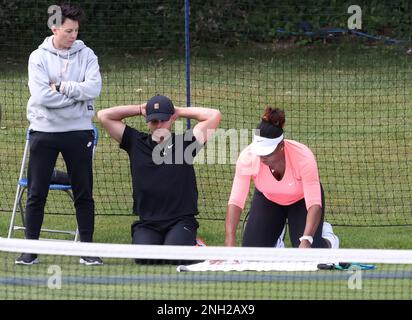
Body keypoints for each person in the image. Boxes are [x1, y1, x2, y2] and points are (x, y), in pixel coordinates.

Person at [16, 3, 102, 265]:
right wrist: (77, 97)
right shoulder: (38, 57)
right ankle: (30, 251)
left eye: (76, 30)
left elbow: (94, 88)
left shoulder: (87, 54)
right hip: (44, 132)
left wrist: (62, 87)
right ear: (55, 28)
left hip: (78, 133)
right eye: (68, 30)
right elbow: (41, 95)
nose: (73, 35)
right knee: (36, 192)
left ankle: (87, 250)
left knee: (83, 192)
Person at [97, 94, 221, 250]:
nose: (159, 125)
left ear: (172, 119)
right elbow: (104, 116)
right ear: (148, 121)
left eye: (164, 120)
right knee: (144, 258)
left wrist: (179, 111)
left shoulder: (186, 143)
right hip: (149, 222)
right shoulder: (135, 142)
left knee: (174, 254)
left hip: (180, 220)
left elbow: (214, 115)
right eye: (154, 120)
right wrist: (139, 109)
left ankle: (193, 241)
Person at [226, 107, 337, 249]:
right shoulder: (248, 157)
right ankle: (276, 236)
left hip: (301, 200)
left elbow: (314, 204)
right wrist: (229, 242)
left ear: (281, 146)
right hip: (268, 198)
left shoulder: (303, 157)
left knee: (312, 252)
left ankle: (328, 237)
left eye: (268, 153)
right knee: (252, 251)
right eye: (259, 153)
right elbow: (236, 201)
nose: (263, 158)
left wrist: (307, 240)